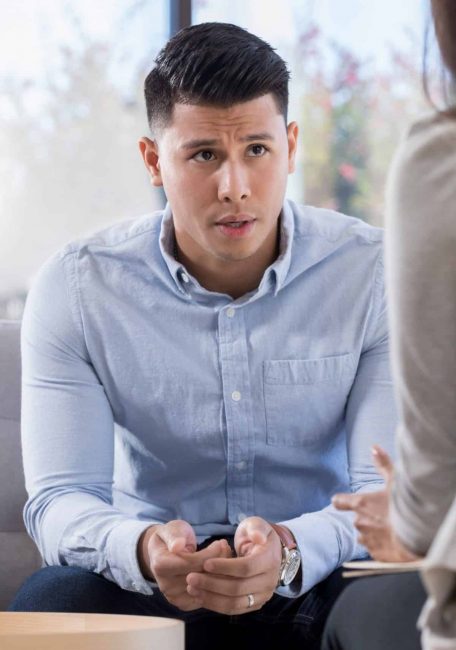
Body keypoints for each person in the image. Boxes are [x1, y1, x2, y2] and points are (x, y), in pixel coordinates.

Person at [9, 22, 398, 650]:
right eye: (204, 154)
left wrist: (292, 547)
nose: (235, 186)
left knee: (403, 603)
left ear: (292, 146)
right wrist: (138, 548)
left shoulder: (373, 274)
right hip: (153, 580)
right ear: (152, 159)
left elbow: (383, 492)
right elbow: (61, 498)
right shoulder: (78, 288)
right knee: (51, 603)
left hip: (319, 572)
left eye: (257, 150)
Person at [322, 1, 456, 648]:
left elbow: (428, 517)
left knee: (359, 615)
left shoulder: (441, 161)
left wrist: (404, 516)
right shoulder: (83, 286)